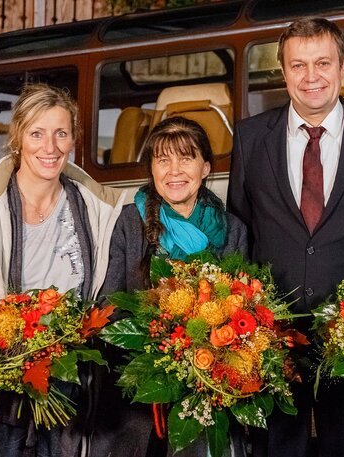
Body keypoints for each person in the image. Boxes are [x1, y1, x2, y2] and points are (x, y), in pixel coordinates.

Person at [227, 16, 344, 457]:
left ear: (343, 66)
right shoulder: (251, 138)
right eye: (299, 65)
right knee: (277, 449)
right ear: (283, 71)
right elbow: (242, 226)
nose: (311, 77)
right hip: (272, 337)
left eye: (323, 63)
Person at [0, 83, 127, 457]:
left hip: (70, 393)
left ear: (73, 139)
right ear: (18, 137)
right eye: (37, 133)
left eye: (61, 133)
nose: (49, 148)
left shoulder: (98, 207)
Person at [92, 116, 247, 457]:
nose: (174, 170)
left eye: (186, 158)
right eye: (163, 160)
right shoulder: (130, 223)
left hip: (206, 388)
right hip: (138, 394)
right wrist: (156, 352)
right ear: (151, 168)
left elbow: (241, 313)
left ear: (205, 167)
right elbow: (110, 306)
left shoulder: (232, 229)